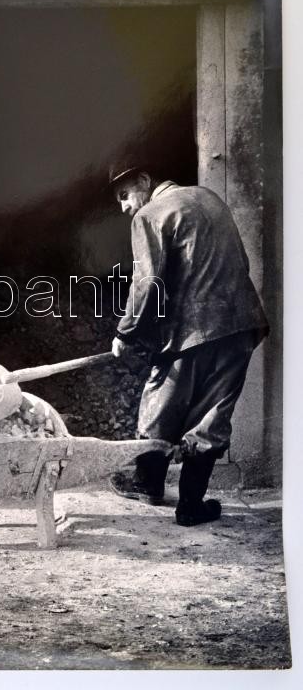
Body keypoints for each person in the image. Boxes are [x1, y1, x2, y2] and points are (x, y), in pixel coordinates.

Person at [107, 162, 269, 526]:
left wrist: (126, 332)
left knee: (160, 403)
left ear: (145, 180)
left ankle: (147, 484)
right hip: (241, 324)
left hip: (193, 329)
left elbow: (148, 282)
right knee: (212, 417)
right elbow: (240, 261)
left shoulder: (150, 214)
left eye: (125, 195)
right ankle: (191, 506)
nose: (124, 207)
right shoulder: (209, 198)